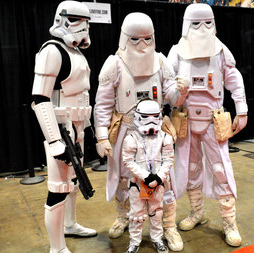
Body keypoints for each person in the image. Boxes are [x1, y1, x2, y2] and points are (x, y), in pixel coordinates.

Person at [93, 12, 188, 252]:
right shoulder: (113, 64)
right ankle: (124, 217)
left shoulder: (160, 61)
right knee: (124, 180)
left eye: (147, 39)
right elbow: (102, 105)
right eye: (135, 39)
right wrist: (102, 136)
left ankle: (168, 226)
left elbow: (171, 96)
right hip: (126, 130)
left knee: (164, 179)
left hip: (157, 132)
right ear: (125, 38)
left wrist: (181, 91)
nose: (142, 45)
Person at [166, 3, 248, 247]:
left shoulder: (220, 51)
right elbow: (167, 87)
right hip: (186, 120)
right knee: (190, 169)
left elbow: (234, 78)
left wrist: (241, 109)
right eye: (196, 23)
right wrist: (174, 94)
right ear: (186, 24)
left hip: (213, 120)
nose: (202, 28)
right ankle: (196, 211)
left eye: (207, 23)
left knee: (221, 169)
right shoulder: (177, 52)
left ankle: (229, 221)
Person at [31, 1, 96, 252]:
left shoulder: (76, 53)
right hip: (60, 129)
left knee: (74, 182)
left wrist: (87, 129)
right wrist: (55, 140)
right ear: (63, 20)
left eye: (87, 22)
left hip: (77, 127)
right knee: (59, 187)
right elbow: (39, 99)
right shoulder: (52, 50)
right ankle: (56, 248)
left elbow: (83, 94)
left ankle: (70, 224)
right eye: (78, 21)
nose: (84, 28)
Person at [122, 99, 172, 253]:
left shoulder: (165, 137)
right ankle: (134, 242)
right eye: (146, 117)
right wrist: (145, 176)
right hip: (137, 184)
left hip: (158, 183)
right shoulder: (131, 138)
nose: (150, 121)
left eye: (154, 116)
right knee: (136, 215)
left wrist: (159, 177)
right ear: (138, 117)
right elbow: (128, 161)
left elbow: (169, 159)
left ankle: (157, 239)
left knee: (157, 212)